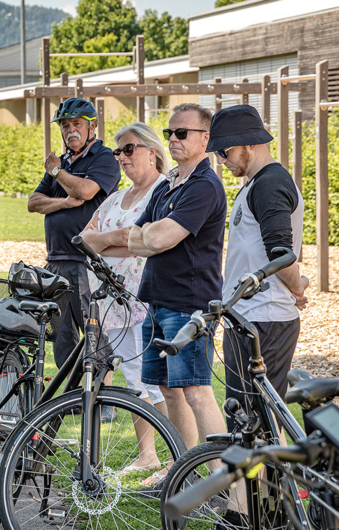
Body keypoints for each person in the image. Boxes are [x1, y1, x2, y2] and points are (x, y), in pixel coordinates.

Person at [128, 103, 228, 486]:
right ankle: (183, 469)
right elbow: (136, 237)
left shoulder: (204, 185)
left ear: (206, 138)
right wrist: (148, 237)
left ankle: (222, 484)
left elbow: (160, 236)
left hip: (190, 304)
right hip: (157, 300)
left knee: (197, 391)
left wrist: (151, 236)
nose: (173, 139)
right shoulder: (170, 182)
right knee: (170, 389)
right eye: (170, 132)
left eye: (182, 133)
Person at [77, 122, 168, 473]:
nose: (121, 157)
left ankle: (178, 454)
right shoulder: (117, 196)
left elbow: (141, 238)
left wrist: (109, 239)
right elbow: (85, 239)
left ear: (151, 151)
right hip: (112, 301)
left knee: (158, 380)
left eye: (128, 149)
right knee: (133, 378)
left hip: (145, 299)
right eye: (118, 151)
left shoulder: (161, 191)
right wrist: (115, 240)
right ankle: (148, 454)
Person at [209, 105, 309, 416]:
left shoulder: (270, 183)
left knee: (257, 421)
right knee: (245, 421)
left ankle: (273, 469)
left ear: (251, 143)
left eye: (225, 151)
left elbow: (281, 254)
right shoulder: (255, 183)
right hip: (250, 317)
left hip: (265, 320)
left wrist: (298, 287)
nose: (220, 160)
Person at [27, 98, 121, 369]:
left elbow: (86, 191)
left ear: (93, 125)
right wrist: (64, 202)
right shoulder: (64, 161)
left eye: (77, 124)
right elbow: (33, 203)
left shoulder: (104, 158)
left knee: (93, 338)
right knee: (62, 338)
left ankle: (104, 408)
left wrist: (56, 172)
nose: (70, 131)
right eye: (65, 125)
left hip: (85, 262)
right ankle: (69, 401)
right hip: (55, 260)